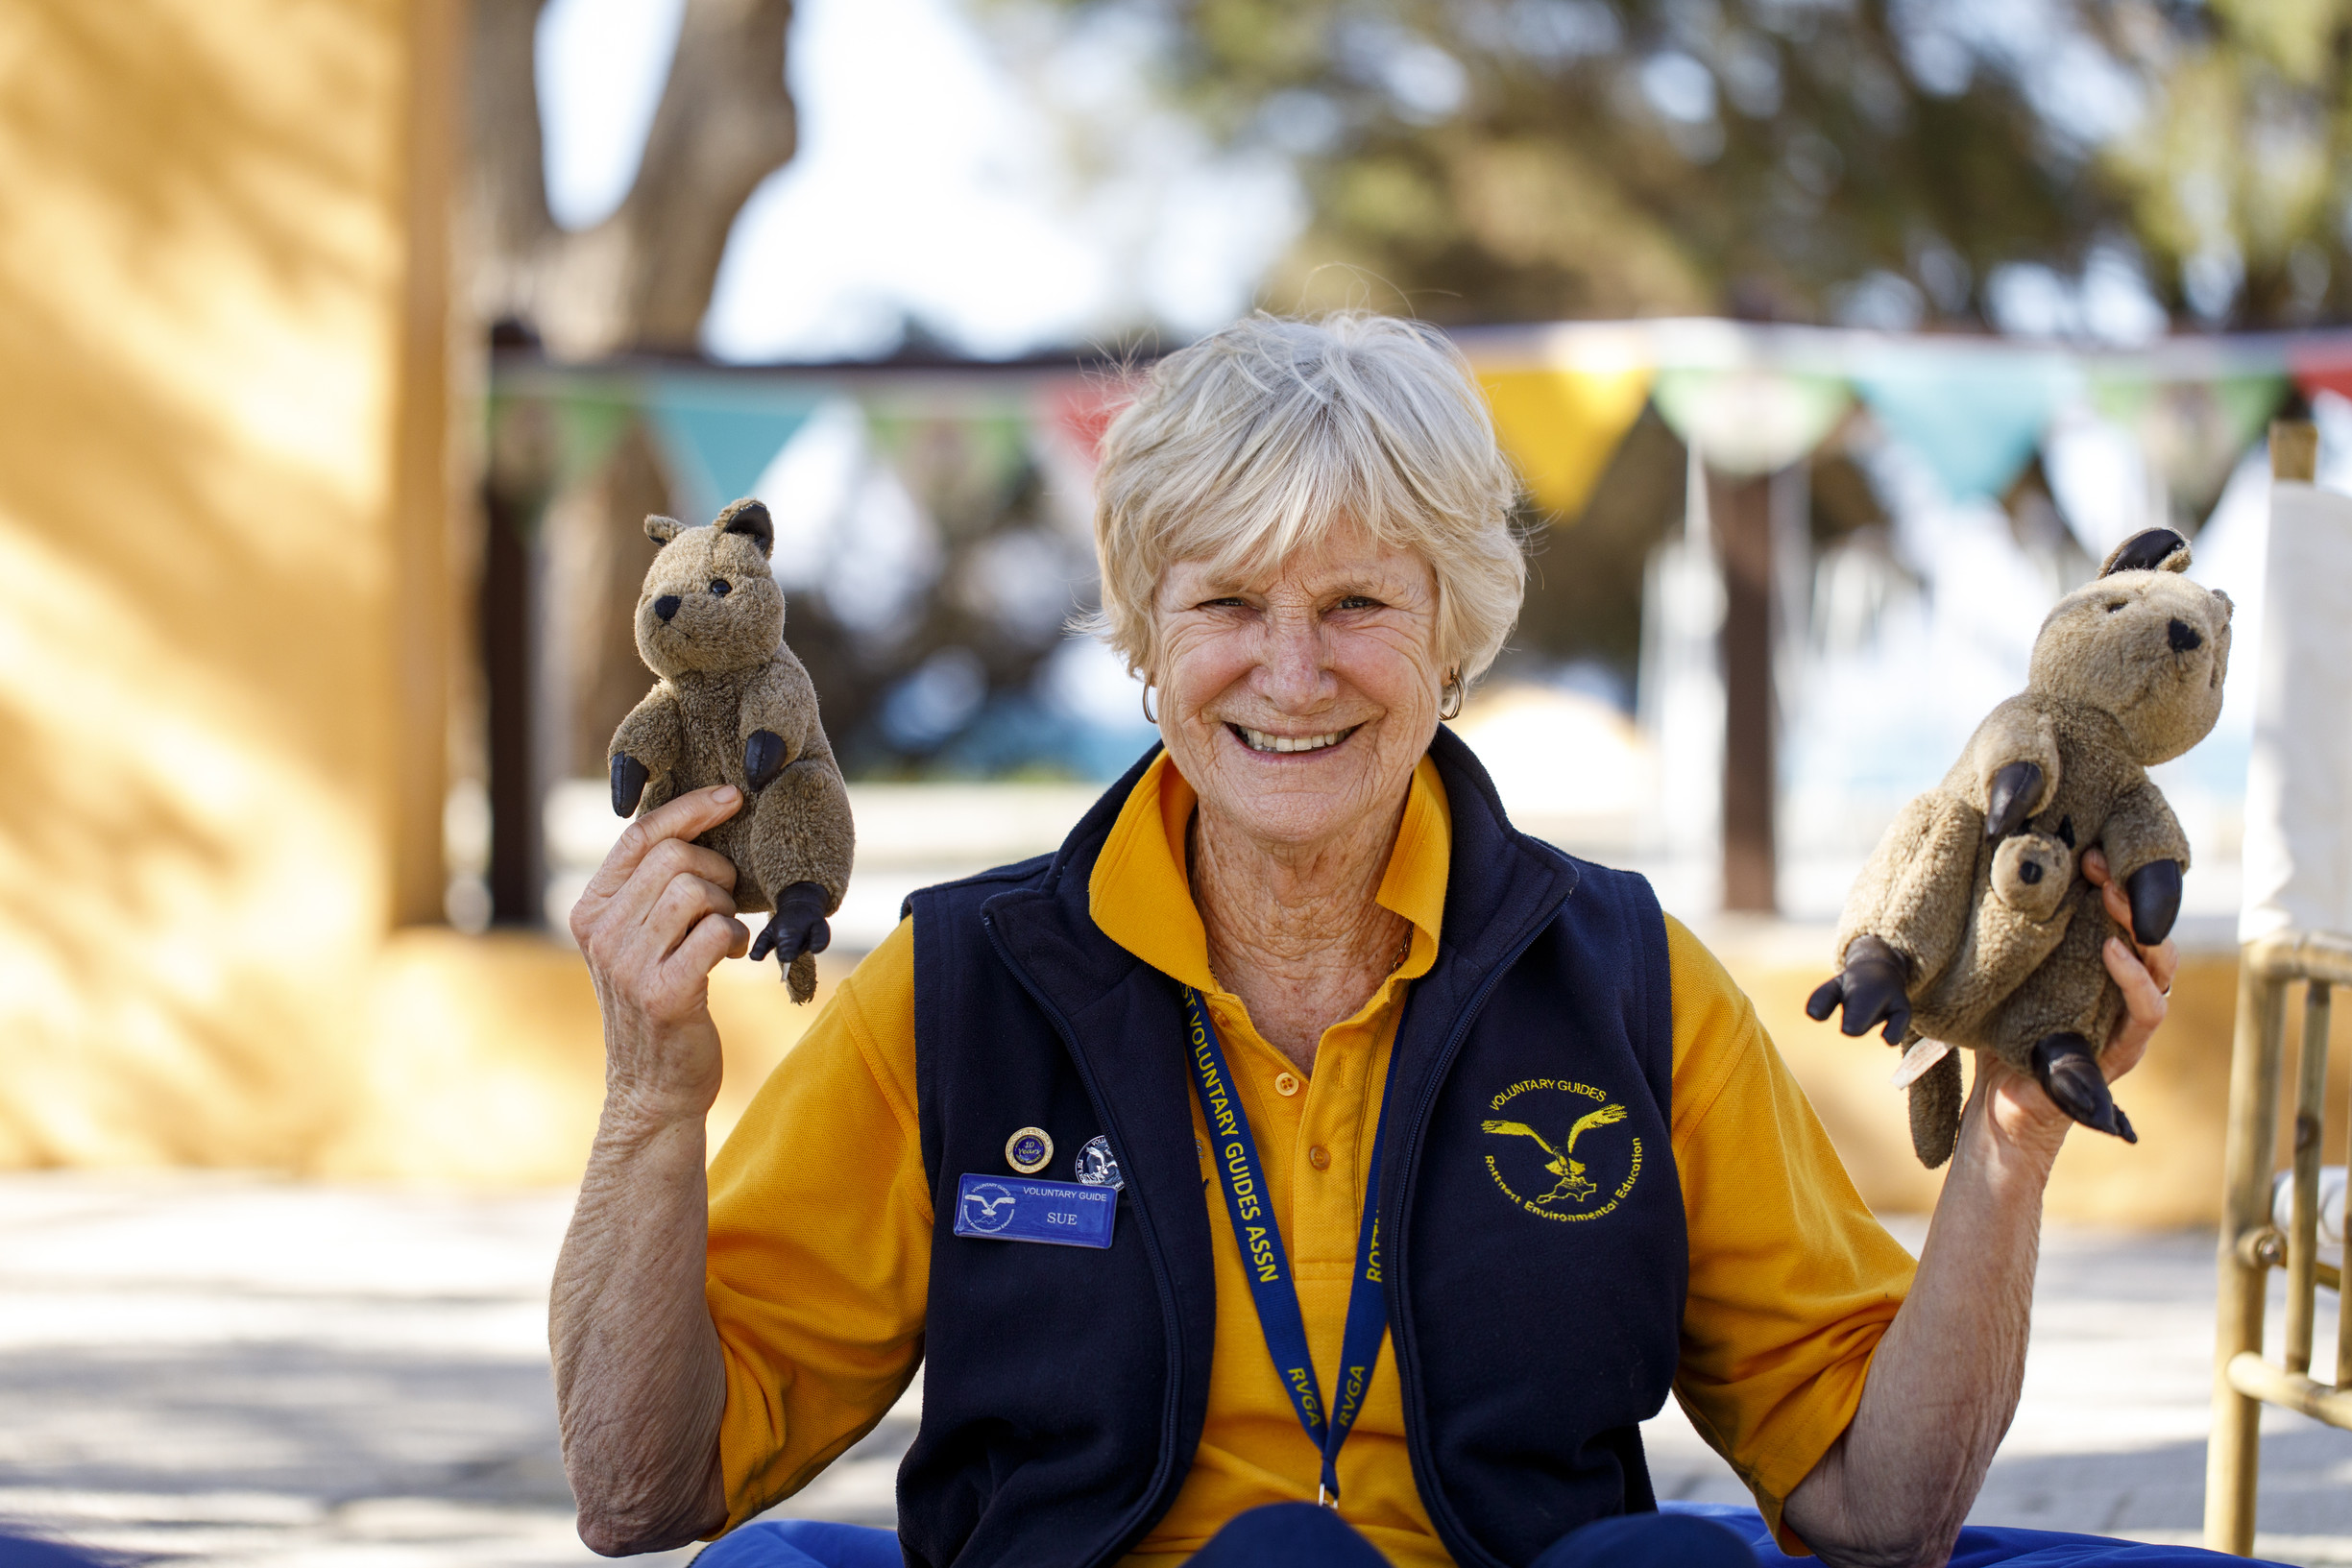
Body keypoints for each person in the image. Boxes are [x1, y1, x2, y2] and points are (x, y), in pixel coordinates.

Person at [551, 314, 2207, 1568]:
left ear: (1453, 638)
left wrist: (2007, 1137)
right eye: (1222, 607)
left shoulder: (1624, 977)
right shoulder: (959, 986)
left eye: (1354, 605)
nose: (1290, 671)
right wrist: (648, 1095)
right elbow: (646, 1490)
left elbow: (1878, 1509)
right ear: (1142, 638)